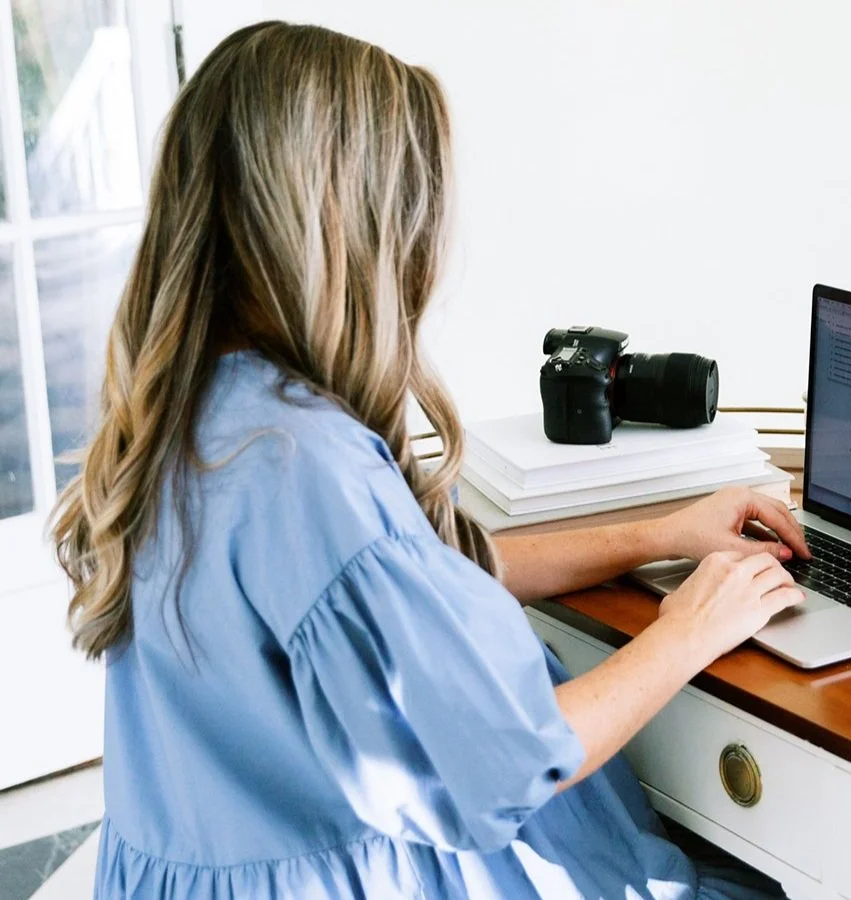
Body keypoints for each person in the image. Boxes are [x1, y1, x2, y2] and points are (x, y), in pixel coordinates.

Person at [50, 21, 810, 899]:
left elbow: (409, 580)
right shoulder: (306, 463)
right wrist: (691, 629)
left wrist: (655, 533)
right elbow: (504, 765)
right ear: (357, 227)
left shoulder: (200, 415)